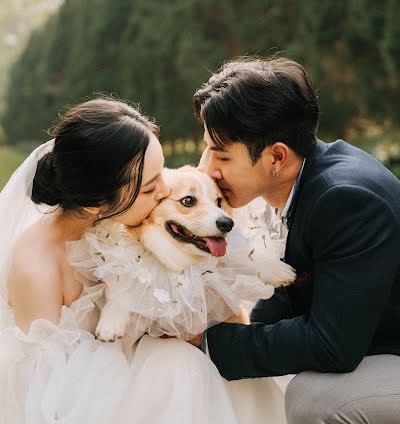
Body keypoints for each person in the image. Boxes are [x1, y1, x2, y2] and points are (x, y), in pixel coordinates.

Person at [0, 96, 286, 424]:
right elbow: (46, 393)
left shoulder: (122, 221)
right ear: (97, 203)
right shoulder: (37, 265)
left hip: (136, 361)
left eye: (160, 173)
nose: (165, 190)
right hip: (87, 396)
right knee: (178, 367)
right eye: (151, 188)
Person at [192, 57, 400, 424]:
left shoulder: (346, 200)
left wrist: (209, 343)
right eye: (208, 149)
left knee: (312, 400)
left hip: (388, 348)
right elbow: (291, 291)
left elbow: (331, 346)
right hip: (367, 336)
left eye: (222, 155)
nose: (207, 168)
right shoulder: (291, 186)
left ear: (276, 156)